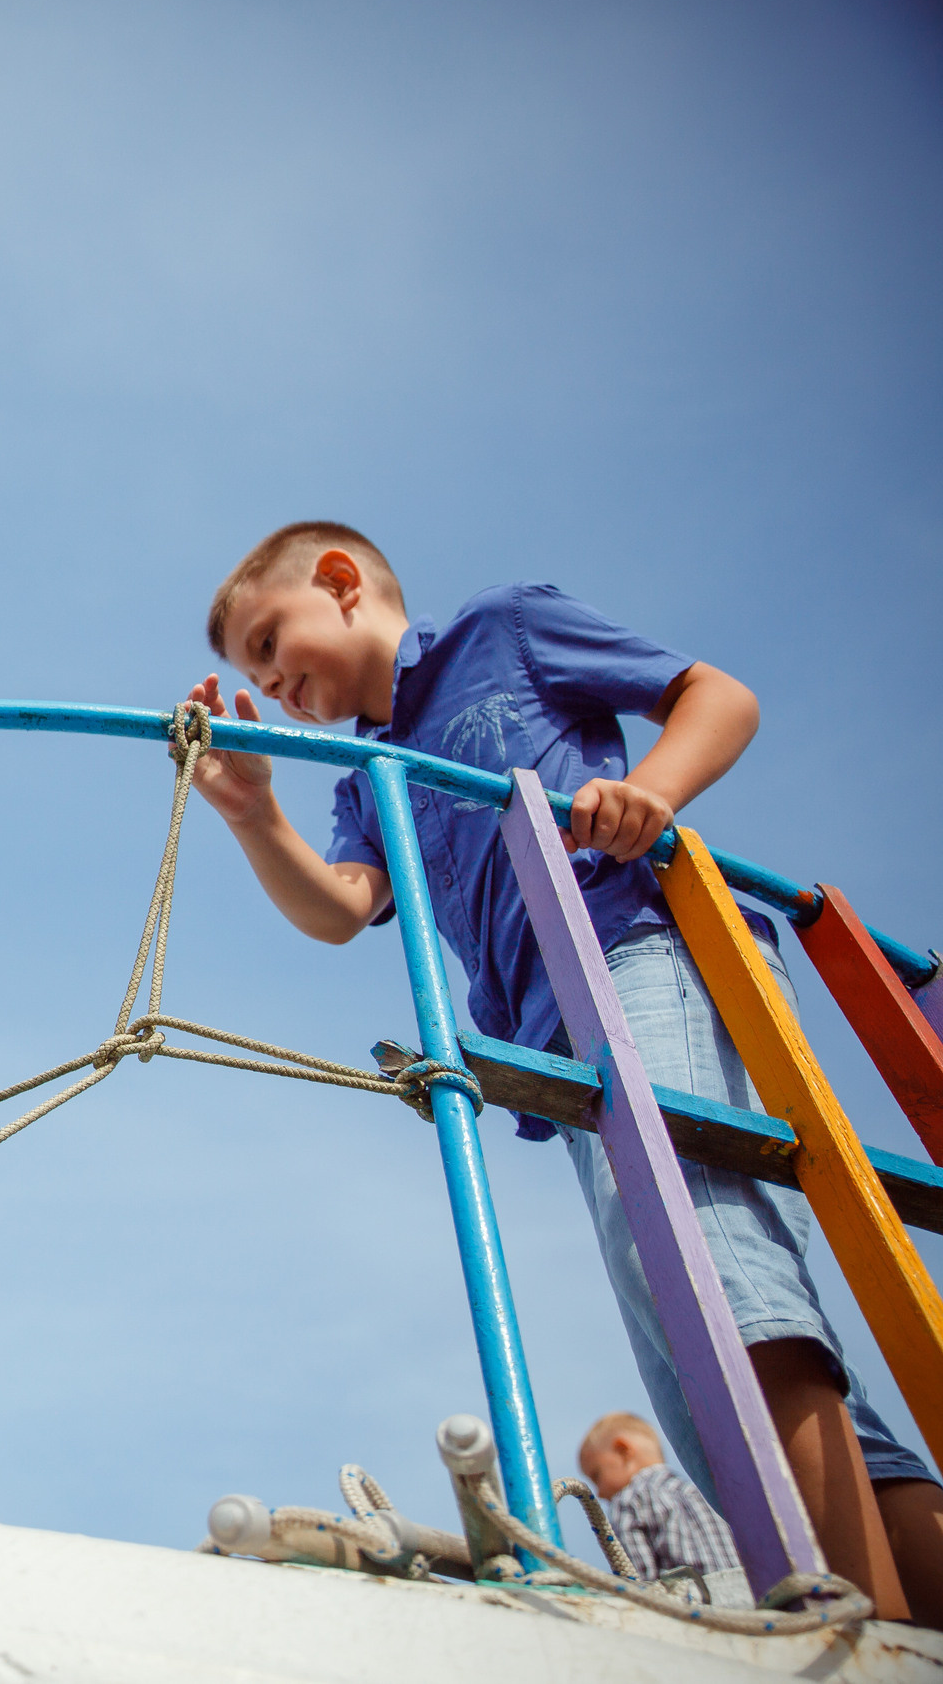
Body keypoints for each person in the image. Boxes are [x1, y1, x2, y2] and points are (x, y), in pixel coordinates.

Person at [181, 521, 943, 1622]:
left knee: (704, 1263)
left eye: (271, 641)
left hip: (637, 946)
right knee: (675, 1333)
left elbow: (716, 695)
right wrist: (256, 815)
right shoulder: (367, 769)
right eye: (256, 675)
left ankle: (848, 1620)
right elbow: (344, 907)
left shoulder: (503, 631)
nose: (276, 685)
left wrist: (654, 795)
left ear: (341, 583)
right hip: (557, 1035)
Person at [579, 1411, 739, 1582]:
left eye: (596, 1476)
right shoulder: (699, 1493)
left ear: (623, 1450)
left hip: (693, 1602)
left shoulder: (628, 1501)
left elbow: (641, 1580)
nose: (599, 1493)